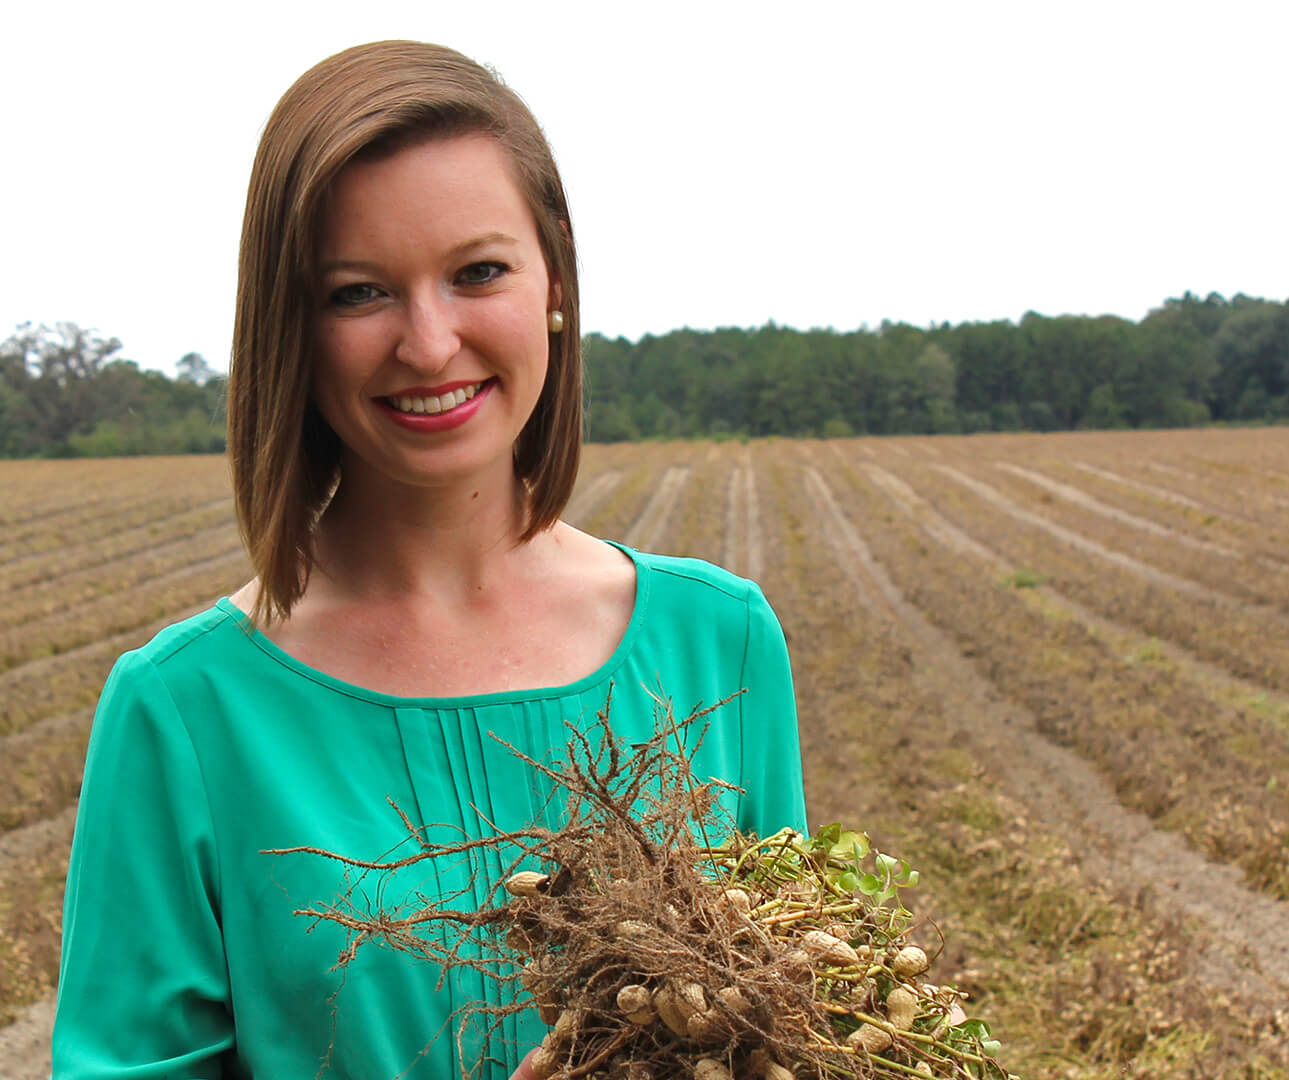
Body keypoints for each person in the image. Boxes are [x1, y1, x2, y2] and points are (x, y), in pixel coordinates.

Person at [51, 40, 806, 1080]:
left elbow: (795, 1027)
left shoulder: (719, 646)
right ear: (293, 328)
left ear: (555, 278)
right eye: (358, 293)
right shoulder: (185, 713)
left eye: (477, 271)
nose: (429, 342)